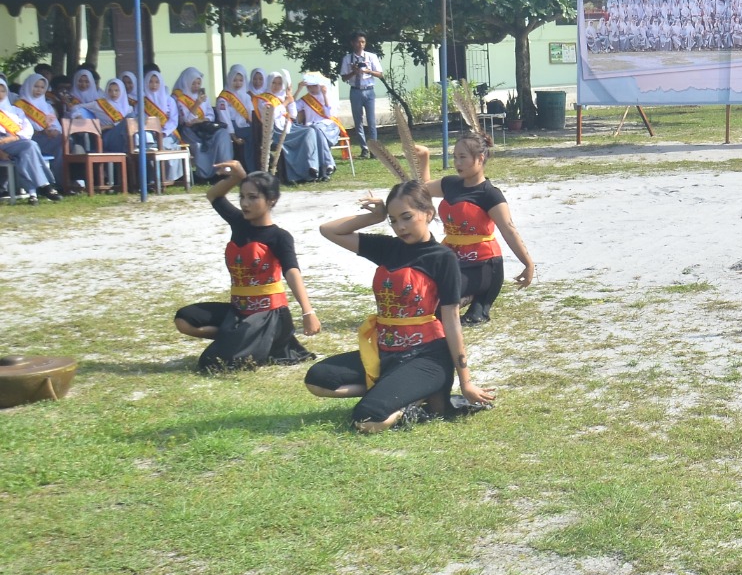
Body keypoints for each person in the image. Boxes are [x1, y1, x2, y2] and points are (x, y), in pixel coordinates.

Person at [305, 180, 495, 432]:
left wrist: (466, 381)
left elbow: (451, 321)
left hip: (427, 357)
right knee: (318, 379)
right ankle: (396, 389)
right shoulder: (387, 248)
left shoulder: (442, 258)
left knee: (367, 419)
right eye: (393, 220)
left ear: (428, 213)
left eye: (406, 217)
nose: (400, 227)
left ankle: (411, 403)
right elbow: (329, 230)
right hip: (385, 353)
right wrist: (376, 216)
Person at [175, 161, 319, 370]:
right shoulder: (239, 222)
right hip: (239, 310)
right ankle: (239, 337)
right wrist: (236, 178)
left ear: (271, 200)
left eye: (253, 197)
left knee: (215, 364)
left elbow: (292, 272)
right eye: (242, 196)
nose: (245, 203)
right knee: (184, 319)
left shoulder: (279, 237)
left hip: (269, 314)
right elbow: (213, 196)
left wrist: (308, 312)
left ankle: (261, 339)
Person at [414, 134, 535, 326]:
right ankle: (468, 298)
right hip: (451, 258)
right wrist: (424, 158)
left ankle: (476, 298)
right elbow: (423, 190)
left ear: (480, 158)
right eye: (455, 157)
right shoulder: (451, 184)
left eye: (462, 157)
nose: (457, 163)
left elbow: (509, 230)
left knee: (438, 305)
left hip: (482, 265)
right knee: (420, 295)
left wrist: (528, 264)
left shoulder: (489, 194)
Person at [0, 77, 60, 202]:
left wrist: (14, 138)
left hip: (16, 141)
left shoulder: (15, 110)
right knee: (30, 146)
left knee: (27, 151)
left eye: (2, 91)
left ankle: (34, 193)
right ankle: (46, 185)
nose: (0, 94)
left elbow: (28, 130)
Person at [173, 67, 233, 181]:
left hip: (205, 127)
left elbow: (211, 115)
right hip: (190, 131)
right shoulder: (180, 98)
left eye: (198, 83)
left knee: (223, 134)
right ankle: (204, 175)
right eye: (193, 83)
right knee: (199, 146)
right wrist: (197, 104)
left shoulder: (203, 97)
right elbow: (187, 120)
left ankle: (225, 168)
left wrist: (202, 120)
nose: (196, 86)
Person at [339, 33, 383, 158]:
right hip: (355, 90)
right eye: (358, 42)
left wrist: (368, 70)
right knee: (358, 121)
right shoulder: (348, 58)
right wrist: (354, 72)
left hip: (369, 90)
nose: (361, 45)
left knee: (371, 121)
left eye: (363, 42)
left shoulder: (371, 56)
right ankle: (364, 148)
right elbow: (344, 77)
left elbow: (380, 74)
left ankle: (374, 149)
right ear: (352, 43)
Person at [15, 72, 65, 173]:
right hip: (32, 139)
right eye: (36, 86)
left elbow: (56, 124)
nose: (39, 90)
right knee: (65, 143)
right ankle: (61, 182)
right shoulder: (19, 105)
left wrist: (55, 130)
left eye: (42, 87)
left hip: (51, 138)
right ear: (29, 86)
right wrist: (42, 132)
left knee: (62, 147)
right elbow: (20, 127)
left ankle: (59, 181)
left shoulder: (47, 106)